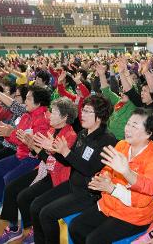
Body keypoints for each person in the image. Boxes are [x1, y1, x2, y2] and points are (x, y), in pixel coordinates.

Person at [69, 108, 153, 243]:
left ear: (148, 133)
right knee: (75, 227)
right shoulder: (122, 145)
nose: (128, 128)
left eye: (134, 126)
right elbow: (108, 169)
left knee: (93, 240)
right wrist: (103, 178)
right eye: (128, 124)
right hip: (110, 204)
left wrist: (112, 189)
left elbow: (143, 200)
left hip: (134, 215)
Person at [30, 95, 117, 244]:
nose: (82, 114)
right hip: (73, 184)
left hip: (88, 193)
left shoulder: (107, 140)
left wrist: (65, 152)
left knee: (46, 214)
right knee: (36, 205)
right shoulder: (83, 133)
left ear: (99, 117)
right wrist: (54, 150)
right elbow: (70, 162)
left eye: (88, 111)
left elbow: (90, 169)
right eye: (83, 110)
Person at [0, 97, 78, 244]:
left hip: (58, 178)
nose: (49, 114)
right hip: (45, 171)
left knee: (30, 200)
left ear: (64, 117)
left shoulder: (70, 135)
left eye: (54, 112)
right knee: (14, 189)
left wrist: (36, 147)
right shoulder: (52, 129)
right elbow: (42, 156)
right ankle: (19, 229)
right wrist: (31, 144)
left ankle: (35, 230)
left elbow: (56, 165)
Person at [0, 86, 51, 219]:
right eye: (25, 98)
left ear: (38, 103)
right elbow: (18, 136)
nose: (25, 101)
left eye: (28, 98)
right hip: (20, 154)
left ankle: (7, 208)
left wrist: (9, 133)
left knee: (9, 177)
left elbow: (31, 144)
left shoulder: (42, 119)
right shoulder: (27, 115)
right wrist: (5, 131)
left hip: (32, 159)